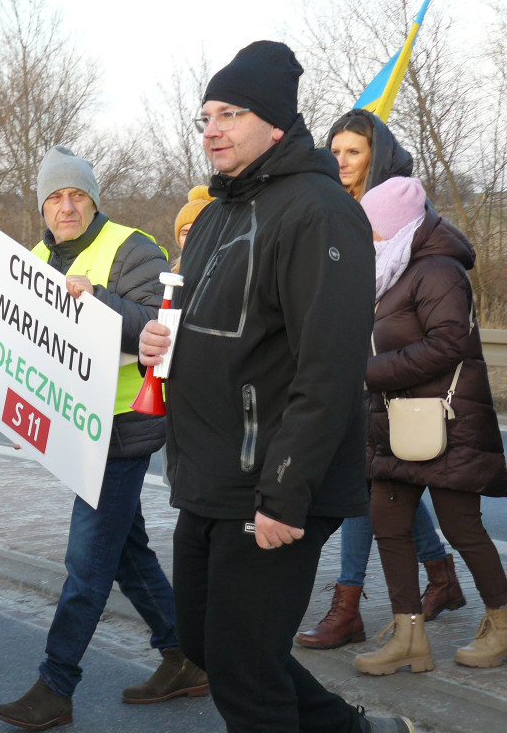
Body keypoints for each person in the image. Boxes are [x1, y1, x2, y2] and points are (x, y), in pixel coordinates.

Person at [139, 40, 412, 732]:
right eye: (205, 116)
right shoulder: (218, 212)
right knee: (208, 646)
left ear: (274, 122)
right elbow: (207, 321)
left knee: (245, 674)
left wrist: (286, 491)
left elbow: (329, 364)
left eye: (230, 113)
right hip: (208, 473)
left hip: (272, 480)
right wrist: (157, 338)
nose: (212, 129)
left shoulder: (318, 211)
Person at [0, 145, 207, 731]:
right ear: (43, 205)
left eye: (77, 195)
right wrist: (21, 411)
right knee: (125, 548)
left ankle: (55, 685)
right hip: (74, 429)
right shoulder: (35, 257)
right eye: (55, 197)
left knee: (87, 560)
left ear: (93, 200)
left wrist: (96, 299)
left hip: (124, 427)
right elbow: (28, 347)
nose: (66, 207)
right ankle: (185, 656)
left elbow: (161, 327)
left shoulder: (133, 248)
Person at [296, 110, 464, 651]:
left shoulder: (403, 210)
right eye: (336, 150)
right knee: (382, 483)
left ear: (376, 154)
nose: (341, 161)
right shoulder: (335, 206)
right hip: (351, 361)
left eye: (353, 152)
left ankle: (349, 605)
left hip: (388, 369)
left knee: (368, 483)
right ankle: (440, 576)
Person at [352, 176, 507, 676]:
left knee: (462, 527)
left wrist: (366, 374)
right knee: (388, 524)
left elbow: (448, 346)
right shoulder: (387, 271)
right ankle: (408, 636)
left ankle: (502, 624)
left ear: (393, 227)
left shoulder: (438, 270)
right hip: (395, 422)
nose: (365, 236)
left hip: (446, 420)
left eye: (370, 227)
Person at [170, 185, 212, 273]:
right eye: (185, 234)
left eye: (198, 232)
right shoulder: (170, 278)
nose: (191, 238)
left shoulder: (225, 274)